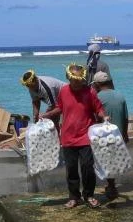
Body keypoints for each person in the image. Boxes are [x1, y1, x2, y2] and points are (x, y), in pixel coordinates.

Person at [41, 63, 107, 209]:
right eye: (74, 80)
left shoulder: (90, 92)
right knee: (71, 169)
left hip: (86, 136)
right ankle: (74, 197)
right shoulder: (63, 91)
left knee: (87, 167)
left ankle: (89, 195)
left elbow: (99, 109)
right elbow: (59, 108)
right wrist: (46, 115)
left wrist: (104, 117)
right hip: (68, 137)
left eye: (79, 80)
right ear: (68, 78)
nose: (77, 83)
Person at [91, 71, 128, 201]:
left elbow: (95, 118)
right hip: (118, 135)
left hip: (104, 135)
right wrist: (125, 134)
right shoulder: (120, 95)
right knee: (113, 161)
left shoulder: (97, 97)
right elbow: (126, 117)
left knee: (106, 163)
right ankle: (112, 186)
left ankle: (111, 188)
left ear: (96, 84)